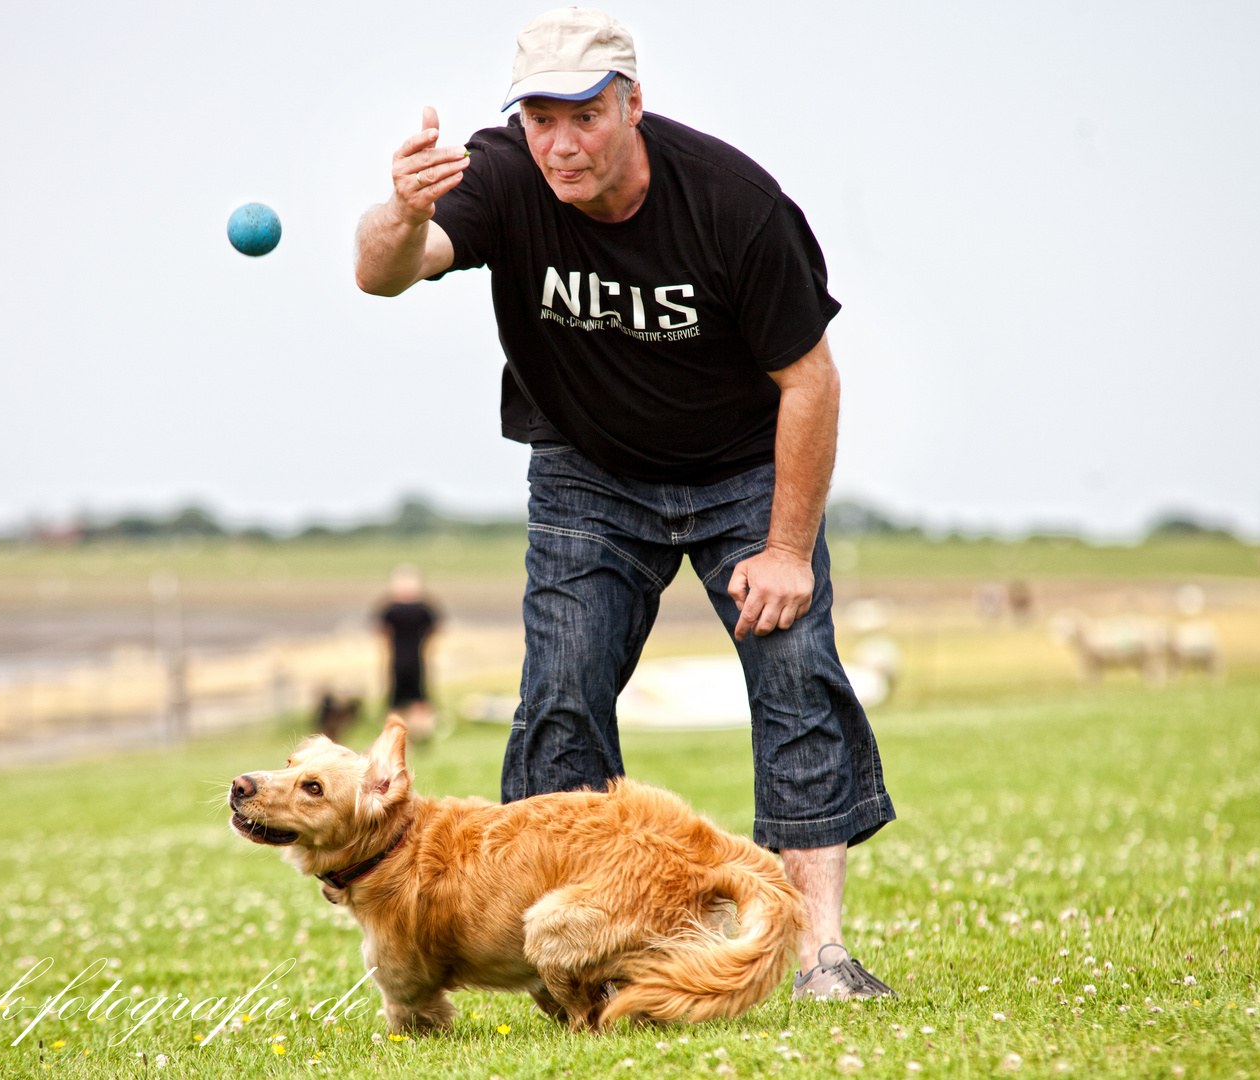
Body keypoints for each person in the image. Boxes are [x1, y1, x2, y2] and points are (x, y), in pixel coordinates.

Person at [353, 7, 895, 1000]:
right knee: (560, 692)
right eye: (540, 118)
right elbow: (385, 272)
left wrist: (785, 549)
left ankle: (821, 957)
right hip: (588, 470)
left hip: (743, 473)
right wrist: (397, 208)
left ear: (631, 104)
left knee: (795, 679)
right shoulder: (505, 176)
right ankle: (570, 968)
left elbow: (811, 382)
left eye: (584, 117)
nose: (560, 142)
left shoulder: (733, 204)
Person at [376, 564, 440, 740]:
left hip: (415, 659)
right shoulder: (393, 609)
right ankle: (395, 735)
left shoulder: (421, 609)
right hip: (399, 660)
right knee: (398, 699)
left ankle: (418, 734)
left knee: (419, 698)